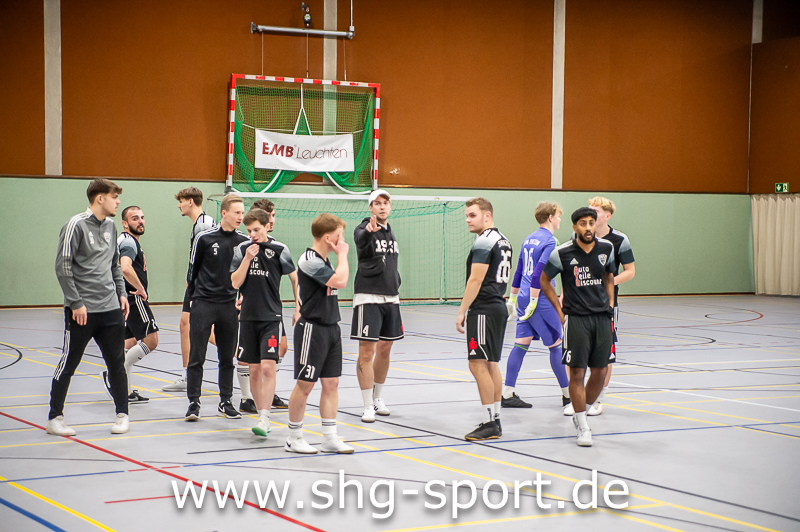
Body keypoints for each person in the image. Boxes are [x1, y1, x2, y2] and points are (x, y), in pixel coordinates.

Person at [49, 179, 131, 436]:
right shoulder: (75, 225)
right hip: (82, 311)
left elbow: (115, 264)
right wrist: (76, 302)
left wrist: (121, 293)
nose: (118, 201)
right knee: (69, 363)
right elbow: (63, 266)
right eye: (114, 197)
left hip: (110, 310)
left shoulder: (111, 226)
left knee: (116, 363)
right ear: (100, 198)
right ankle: (55, 418)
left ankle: (122, 414)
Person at [540, 207, 616, 447]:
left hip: (602, 318)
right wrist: (559, 310)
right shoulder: (561, 252)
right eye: (583, 223)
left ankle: (582, 408)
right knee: (577, 372)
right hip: (576, 319)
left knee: (600, 372)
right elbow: (544, 280)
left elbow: (609, 277)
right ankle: (582, 425)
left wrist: (610, 305)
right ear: (575, 227)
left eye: (591, 223)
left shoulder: (607, 248)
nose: (588, 227)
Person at [284, 213, 353, 454]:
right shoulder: (309, 260)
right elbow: (340, 281)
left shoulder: (325, 260)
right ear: (328, 237)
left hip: (331, 327)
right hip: (312, 329)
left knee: (331, 383)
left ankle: (329, 437)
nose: (342, 240)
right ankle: (293, 437)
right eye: (339, 235)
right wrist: (343, 255)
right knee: (305, 384)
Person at [231, 208, 299, 437]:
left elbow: (295, 278)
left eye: (256, 230)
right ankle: (261, 413)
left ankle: (264, 418)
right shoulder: (242, 249)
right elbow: (234, 283)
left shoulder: (279, 249)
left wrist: (299, 307)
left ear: (267, 226)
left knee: (268, 367)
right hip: (248, 318)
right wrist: (247, 259)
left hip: (271, 317)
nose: (252, 234)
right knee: (254, 370)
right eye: (249, 230)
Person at [184, 194, 248, 421]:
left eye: (242, 213)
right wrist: (192, 300)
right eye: (237, 212)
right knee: (197, 356)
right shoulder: (204, 238)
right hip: (203, 303)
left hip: (229, 306)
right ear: (224, 213)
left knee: (227, 358)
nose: (240, 217)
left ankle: (226, 401)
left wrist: (242, 296)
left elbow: (245, 274)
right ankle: (193, 402)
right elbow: (192, 272)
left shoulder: (244, 241)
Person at [503, 202, 569, 411]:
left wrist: (512, 299)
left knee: (521, 343)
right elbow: (539, 273)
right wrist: (534, 300)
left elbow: (519, 270)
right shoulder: (551, 241)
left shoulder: (528, 239)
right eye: (558, 216)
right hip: (539, 299)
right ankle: (568, 396)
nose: (559, 219)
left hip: (524, 297)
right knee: (556, 345)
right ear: (550, 217)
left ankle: (507, 393)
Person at [456, 198, 513, 441]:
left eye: (472, 215)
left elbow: (476, 280)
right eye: (467, 216)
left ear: (487, 216)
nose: (468, 220)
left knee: (477, 364)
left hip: (484, 308)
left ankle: (490, 422)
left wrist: (462, 310)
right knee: (491, 364)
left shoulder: (483, 241)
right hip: (498, 306)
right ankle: (494, 418)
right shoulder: (503, 240)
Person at [351, 189, 403, 423]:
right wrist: (369, 232)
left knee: (385, 350)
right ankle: (367, 405)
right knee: (366, 352)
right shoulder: (363, 228)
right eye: (378, 203)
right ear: (370, 207)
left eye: (386, 203)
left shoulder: (391, 233)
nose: (382, 207)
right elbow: (360, 239)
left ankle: (377, 397)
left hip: (391, 298)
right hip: (368, 297)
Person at [583, 196, 635, 416]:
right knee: (579, 351)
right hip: (581, 304)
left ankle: (598, 399)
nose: (591, 214)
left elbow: (630, 271)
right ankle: (578, 398)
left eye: (595, 211)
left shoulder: (620, 239)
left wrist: (608, 282)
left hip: (606, 305)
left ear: (607, 215)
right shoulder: (581, 236)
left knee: (604, 352)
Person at [102, 206, 159, 404]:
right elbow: (125, 268)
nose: (140, 221)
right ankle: (114, 375)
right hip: (134, 299)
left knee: (130, 343)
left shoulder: (123, 240)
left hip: (122, 299)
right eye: (135, 218)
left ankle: (124, 391)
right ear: (125, 223)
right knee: (151, 340)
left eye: (142, 217)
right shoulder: (128, 242)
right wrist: (140, 288)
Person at [163, 188, 217, 392]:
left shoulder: (203, 224)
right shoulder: (200, 223)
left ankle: (245, 357)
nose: (179, 205)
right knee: (185, 324)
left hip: (203, 285)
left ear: (191, 202)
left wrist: (195, 283)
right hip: (198, 283)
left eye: (181, 201)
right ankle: (186, 376)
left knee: (205, 330)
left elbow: (208, 258)